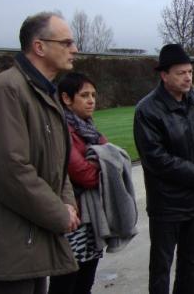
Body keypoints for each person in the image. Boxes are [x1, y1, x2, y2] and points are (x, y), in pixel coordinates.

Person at [0, 12, 81, 294]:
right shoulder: (6, 92)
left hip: (32, 241)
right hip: (9, 248)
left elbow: (58, 161)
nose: (74, 49)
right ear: (39, 46)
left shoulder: (42, 92)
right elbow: (10, 170)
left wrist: (67, 202)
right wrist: (59, 213)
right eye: (66, 42)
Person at [134, 44, 194, 294]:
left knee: (190, 264)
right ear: (164, 75)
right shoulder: (148, 110)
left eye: (190, 72)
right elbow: (155, 157)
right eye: (181, 73)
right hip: (167, 204)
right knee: (161, 267)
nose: (187, 77)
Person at [49, 72, 137, 294]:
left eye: (93, 95)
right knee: (66, 281)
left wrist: (103, 162)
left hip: (91, 218)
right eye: (84, 95)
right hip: (73, 215)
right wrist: (104, 164)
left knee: (85, 281)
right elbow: (85, 174)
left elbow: (111, 161)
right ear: (66, 99)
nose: (91, 101)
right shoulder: (62, 130)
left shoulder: (88, 128)